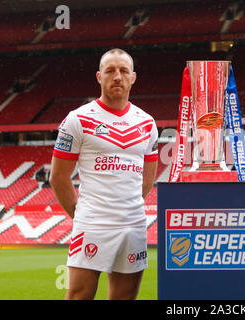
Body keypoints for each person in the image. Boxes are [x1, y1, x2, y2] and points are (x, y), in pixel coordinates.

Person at [50, 48, 158, 300]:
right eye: (110, 71)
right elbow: (58, 177)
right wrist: (82, 215)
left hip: (133, 224)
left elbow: (147, 178)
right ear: (99, 77)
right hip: (93, 223)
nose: (117, 76)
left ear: (133, 77)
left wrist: (125, 207)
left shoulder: (147, 123)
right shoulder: (77, 119)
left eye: (123, 71)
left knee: (125, 297)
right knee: (79, 295)